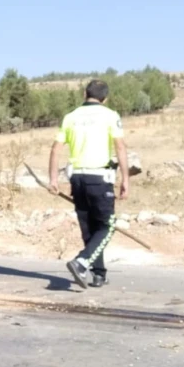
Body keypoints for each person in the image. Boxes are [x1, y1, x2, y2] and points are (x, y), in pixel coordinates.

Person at [48, 79, 129, 290]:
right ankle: (82, 262)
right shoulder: (110, 115)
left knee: (90, 229)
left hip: (77, 180)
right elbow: (120, 148)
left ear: (85, 94)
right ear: (105, 98)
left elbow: (55, 149)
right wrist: (125, 179)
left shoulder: (71, 116)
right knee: (107, 226)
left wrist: (53, 180)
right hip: (99, 179)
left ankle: (98, 274)